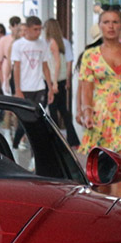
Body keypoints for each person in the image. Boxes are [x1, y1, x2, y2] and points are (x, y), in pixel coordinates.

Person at [76, 6, 121, 200]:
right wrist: (86, 111)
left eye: (115, 22)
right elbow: (86, 88)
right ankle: (104, 219)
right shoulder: (90, 56)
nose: (111, 26)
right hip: (101, 119)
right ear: (99, 26)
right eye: (106, 22)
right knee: (103, 178)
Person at [10, 16, 55, 150]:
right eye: (35, 29)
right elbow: (16, 68)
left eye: (40, 29)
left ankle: (36, 149)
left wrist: (50, 88)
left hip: (39, 86)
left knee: (38, 118)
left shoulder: (43, 44)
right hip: (24, 87)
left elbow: (45, 66)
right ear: (27, 29)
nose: (38, 32)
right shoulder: (18, 45)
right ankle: (15, 144)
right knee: (25, 120)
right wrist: (18, 89)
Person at [44, 18, 80, 149]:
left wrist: (53, 82)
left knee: (53, 110)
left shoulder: (50, 43)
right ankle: (72, 139)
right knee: (63, 110)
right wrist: (68, 79)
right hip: (62, 79)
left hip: (54, 80)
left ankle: (56, 139)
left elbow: (56, 64)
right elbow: (69, 62)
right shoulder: (64, 42)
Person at [0, 16, 21, 96]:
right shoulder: (4, 40)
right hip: (7, 68)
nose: (15, 29)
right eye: (13, 26)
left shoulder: (23, 40)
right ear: (10, 27)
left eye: (17, 26)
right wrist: (2, 80)